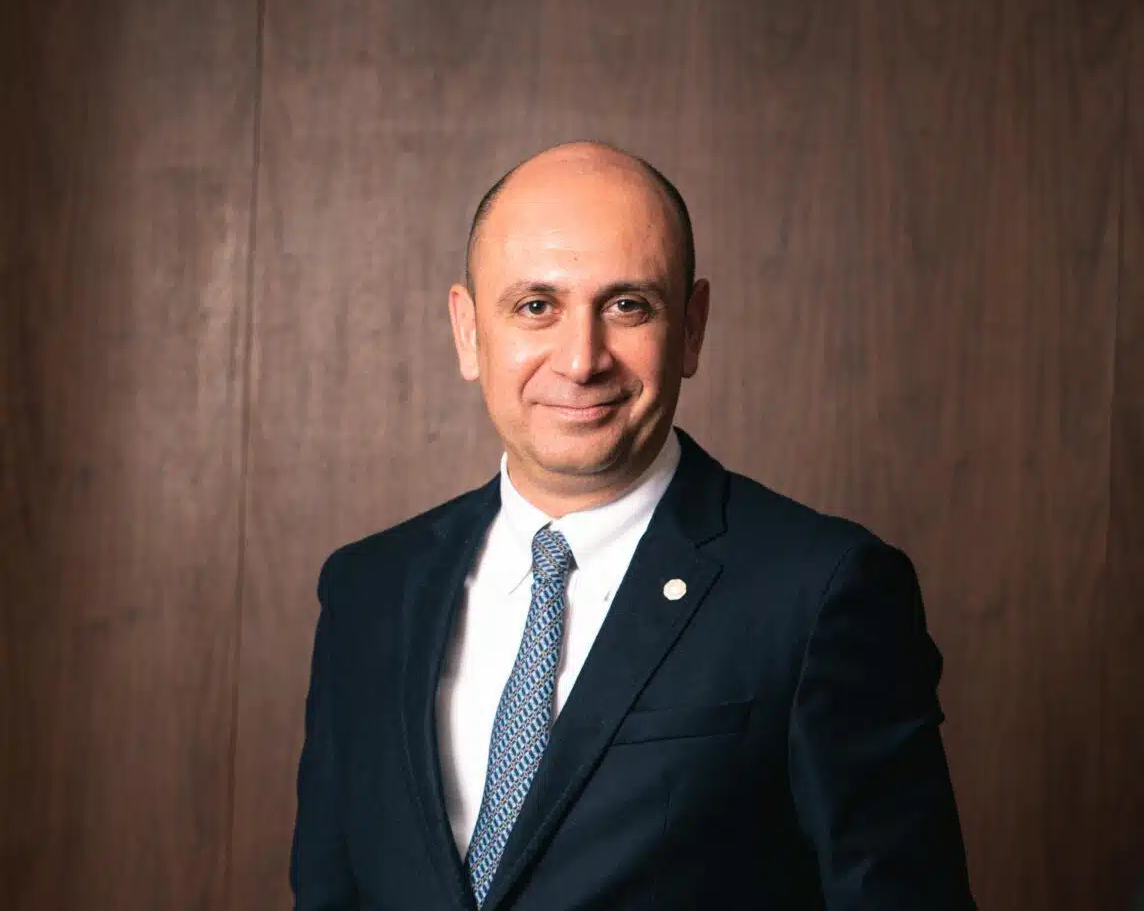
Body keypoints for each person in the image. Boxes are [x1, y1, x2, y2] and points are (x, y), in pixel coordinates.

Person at [290, 141, 976, 910]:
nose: (582, 360)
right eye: (536, 306)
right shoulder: (367, 589)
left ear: (691, 328)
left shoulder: (821, 592)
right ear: (467, 330)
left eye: (627, 306)